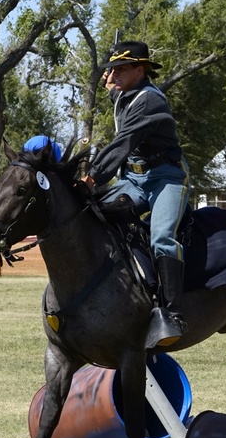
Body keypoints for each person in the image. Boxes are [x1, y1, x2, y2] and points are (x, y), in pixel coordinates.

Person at [81, 40, 190, 349]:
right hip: (133, 180)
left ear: (140, 70)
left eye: (120, 69)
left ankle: (173, 314)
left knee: (162, 237)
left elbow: (124, 142)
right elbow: (124, 132)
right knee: (95, 214)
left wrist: (92, 178)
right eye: (110, 69)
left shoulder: (149, 101)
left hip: (167, 179)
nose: (112, 75)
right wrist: (113, 83)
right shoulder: (125, 96)